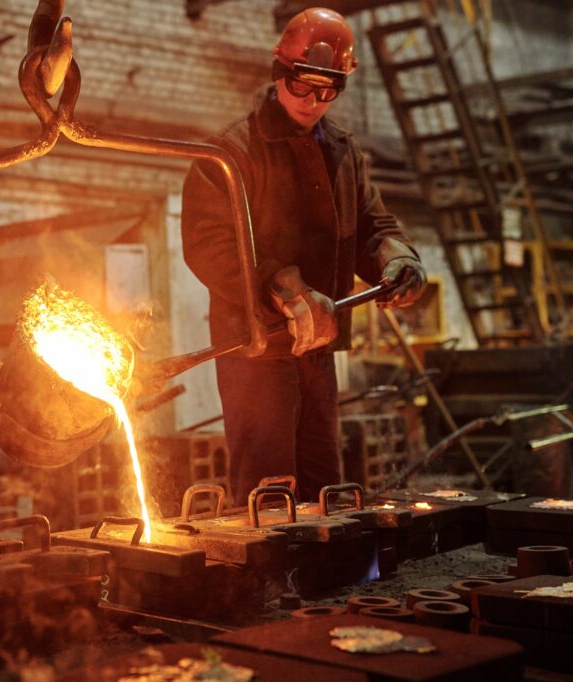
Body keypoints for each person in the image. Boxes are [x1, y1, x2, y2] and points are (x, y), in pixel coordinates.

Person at [181, 8, 426, 503]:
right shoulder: (231, 153)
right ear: (280, 75)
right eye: (303, 86)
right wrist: (282, 288)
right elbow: (208, 243)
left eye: (328, 90)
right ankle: (268, 582)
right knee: (268, 491)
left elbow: (371, 227)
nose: (314, 101)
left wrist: (395, 257)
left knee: (324, 486)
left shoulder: (342, 151)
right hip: (258, 347)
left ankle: (322, 580)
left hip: (318, 345)